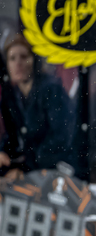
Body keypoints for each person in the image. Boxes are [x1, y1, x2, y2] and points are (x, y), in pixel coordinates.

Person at [0, 34, 76, 177]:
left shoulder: (51, 89)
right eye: (12, 58)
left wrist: (25, 169)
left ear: (35, 60)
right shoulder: (11, 96)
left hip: (58, 168)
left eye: (24, 57)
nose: (18, 63)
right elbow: (12, 136)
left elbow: (61, 139)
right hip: (32, 165)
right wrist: (3, 152)